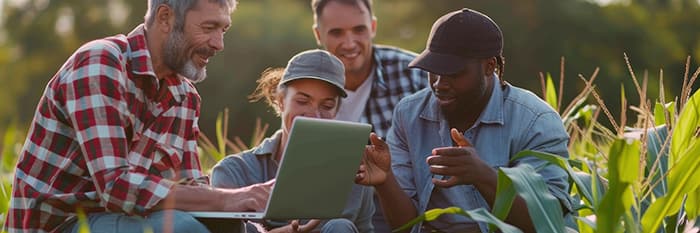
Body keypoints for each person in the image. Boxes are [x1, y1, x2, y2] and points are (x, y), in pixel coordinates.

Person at [4, 1, 273, 232]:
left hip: (123, 220)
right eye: (208, 28)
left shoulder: (185, 97)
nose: (219, 44)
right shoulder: (100, 64)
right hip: (62, 223)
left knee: (231, 227)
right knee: (182, 228)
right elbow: (115, 187)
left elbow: (193, 188)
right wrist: (228, 198)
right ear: (165, 18)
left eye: (223, 30)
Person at [356, 8, 572, 233]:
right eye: (433, 71)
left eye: (453, 73)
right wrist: (385, 180)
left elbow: (548, 222)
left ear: (490, 66)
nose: (439, 83)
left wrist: (483, 176)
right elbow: (405, 226)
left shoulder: (536, 121)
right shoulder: (408, 113)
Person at [211, 49, 375, 233]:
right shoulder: (234, 171)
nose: (314, 115)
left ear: (336, 110)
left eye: (326, 106)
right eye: (303, 101)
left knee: (340, 226)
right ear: (280, 101)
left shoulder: (354, 176)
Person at [310, 1, 429, 230]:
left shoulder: (414, 75)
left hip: (404, 211)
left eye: (359, 30)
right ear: (318, 34)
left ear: (372, 27)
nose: (349, 43)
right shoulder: (307, 81)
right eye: (336, 33)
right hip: (332, 215)